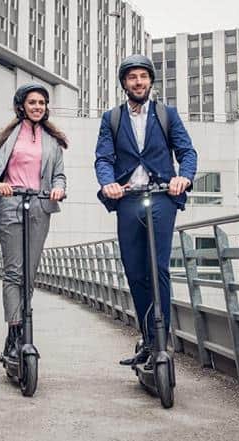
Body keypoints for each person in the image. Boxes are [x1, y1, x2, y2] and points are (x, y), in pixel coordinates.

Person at [94, 55, 197, 368]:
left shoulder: (167, 115)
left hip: (162, 196)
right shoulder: (112, 118)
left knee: (158, 268)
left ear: (151, 81)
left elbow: (187, 152)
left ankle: (161, 342)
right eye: (131, 77)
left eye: (143, 76)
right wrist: (108, 183)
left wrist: (184, 177)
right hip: (127, 199)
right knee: (135, 272)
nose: (138, 82)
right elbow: (103, 159)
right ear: (124, 83)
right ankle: (147, 339)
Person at [0, 83, 67, 360]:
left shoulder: (53, 141)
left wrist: (59, 188)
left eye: (42, 102)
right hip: (11, 205)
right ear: (21, 106)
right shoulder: (5, 137)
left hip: (40, 206)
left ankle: (15, 332)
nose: (38, 106)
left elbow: (59, 175)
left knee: (29, 275)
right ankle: (17, 333)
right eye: (32, 102)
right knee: (14, 273)